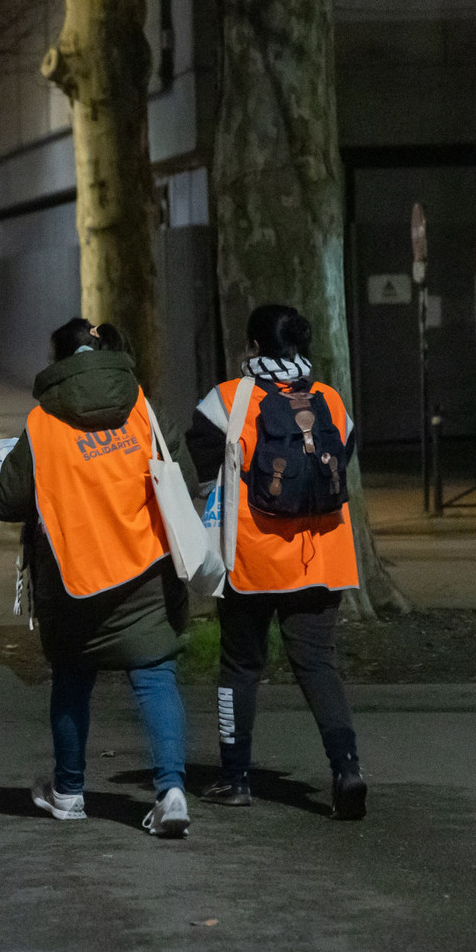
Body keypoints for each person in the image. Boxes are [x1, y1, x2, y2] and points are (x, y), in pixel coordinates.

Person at [0, 318, 193, 838]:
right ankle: (172, 791)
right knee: (156, 679)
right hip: (147, 570)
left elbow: (9, 499)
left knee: (71, 681)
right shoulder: (144, 409)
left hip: (73, 578)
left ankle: (68, 793)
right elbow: (186, 480)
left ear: (59, 360)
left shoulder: (44, 422)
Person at [184, 303, 367, 820]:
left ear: (256, 347)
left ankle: (235, 777)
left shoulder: (226, 399)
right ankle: (347, 768)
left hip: (252, 559)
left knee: (240, 666)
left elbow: (201, 465)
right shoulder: (329, 398)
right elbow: (343, 456)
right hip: (321, 557)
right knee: (319, 666)